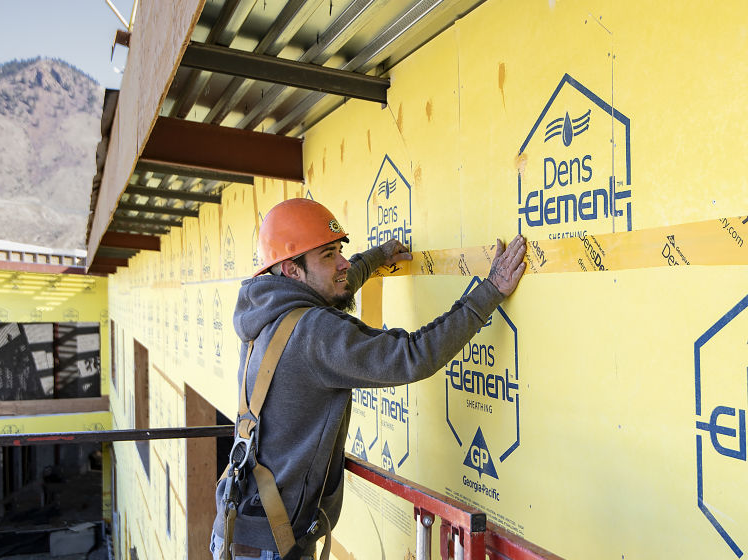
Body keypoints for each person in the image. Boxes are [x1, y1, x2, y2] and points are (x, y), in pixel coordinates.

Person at [211, 198, 526, 560]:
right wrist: (489, 293)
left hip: (240, 528)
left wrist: (376, 257)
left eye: (339, 251)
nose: (343, 262)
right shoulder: (314, 332)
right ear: (291, 270)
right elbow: (412, 356)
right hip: (272, 545)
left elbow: (333, 287)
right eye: (328, 255)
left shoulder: (266, 312)